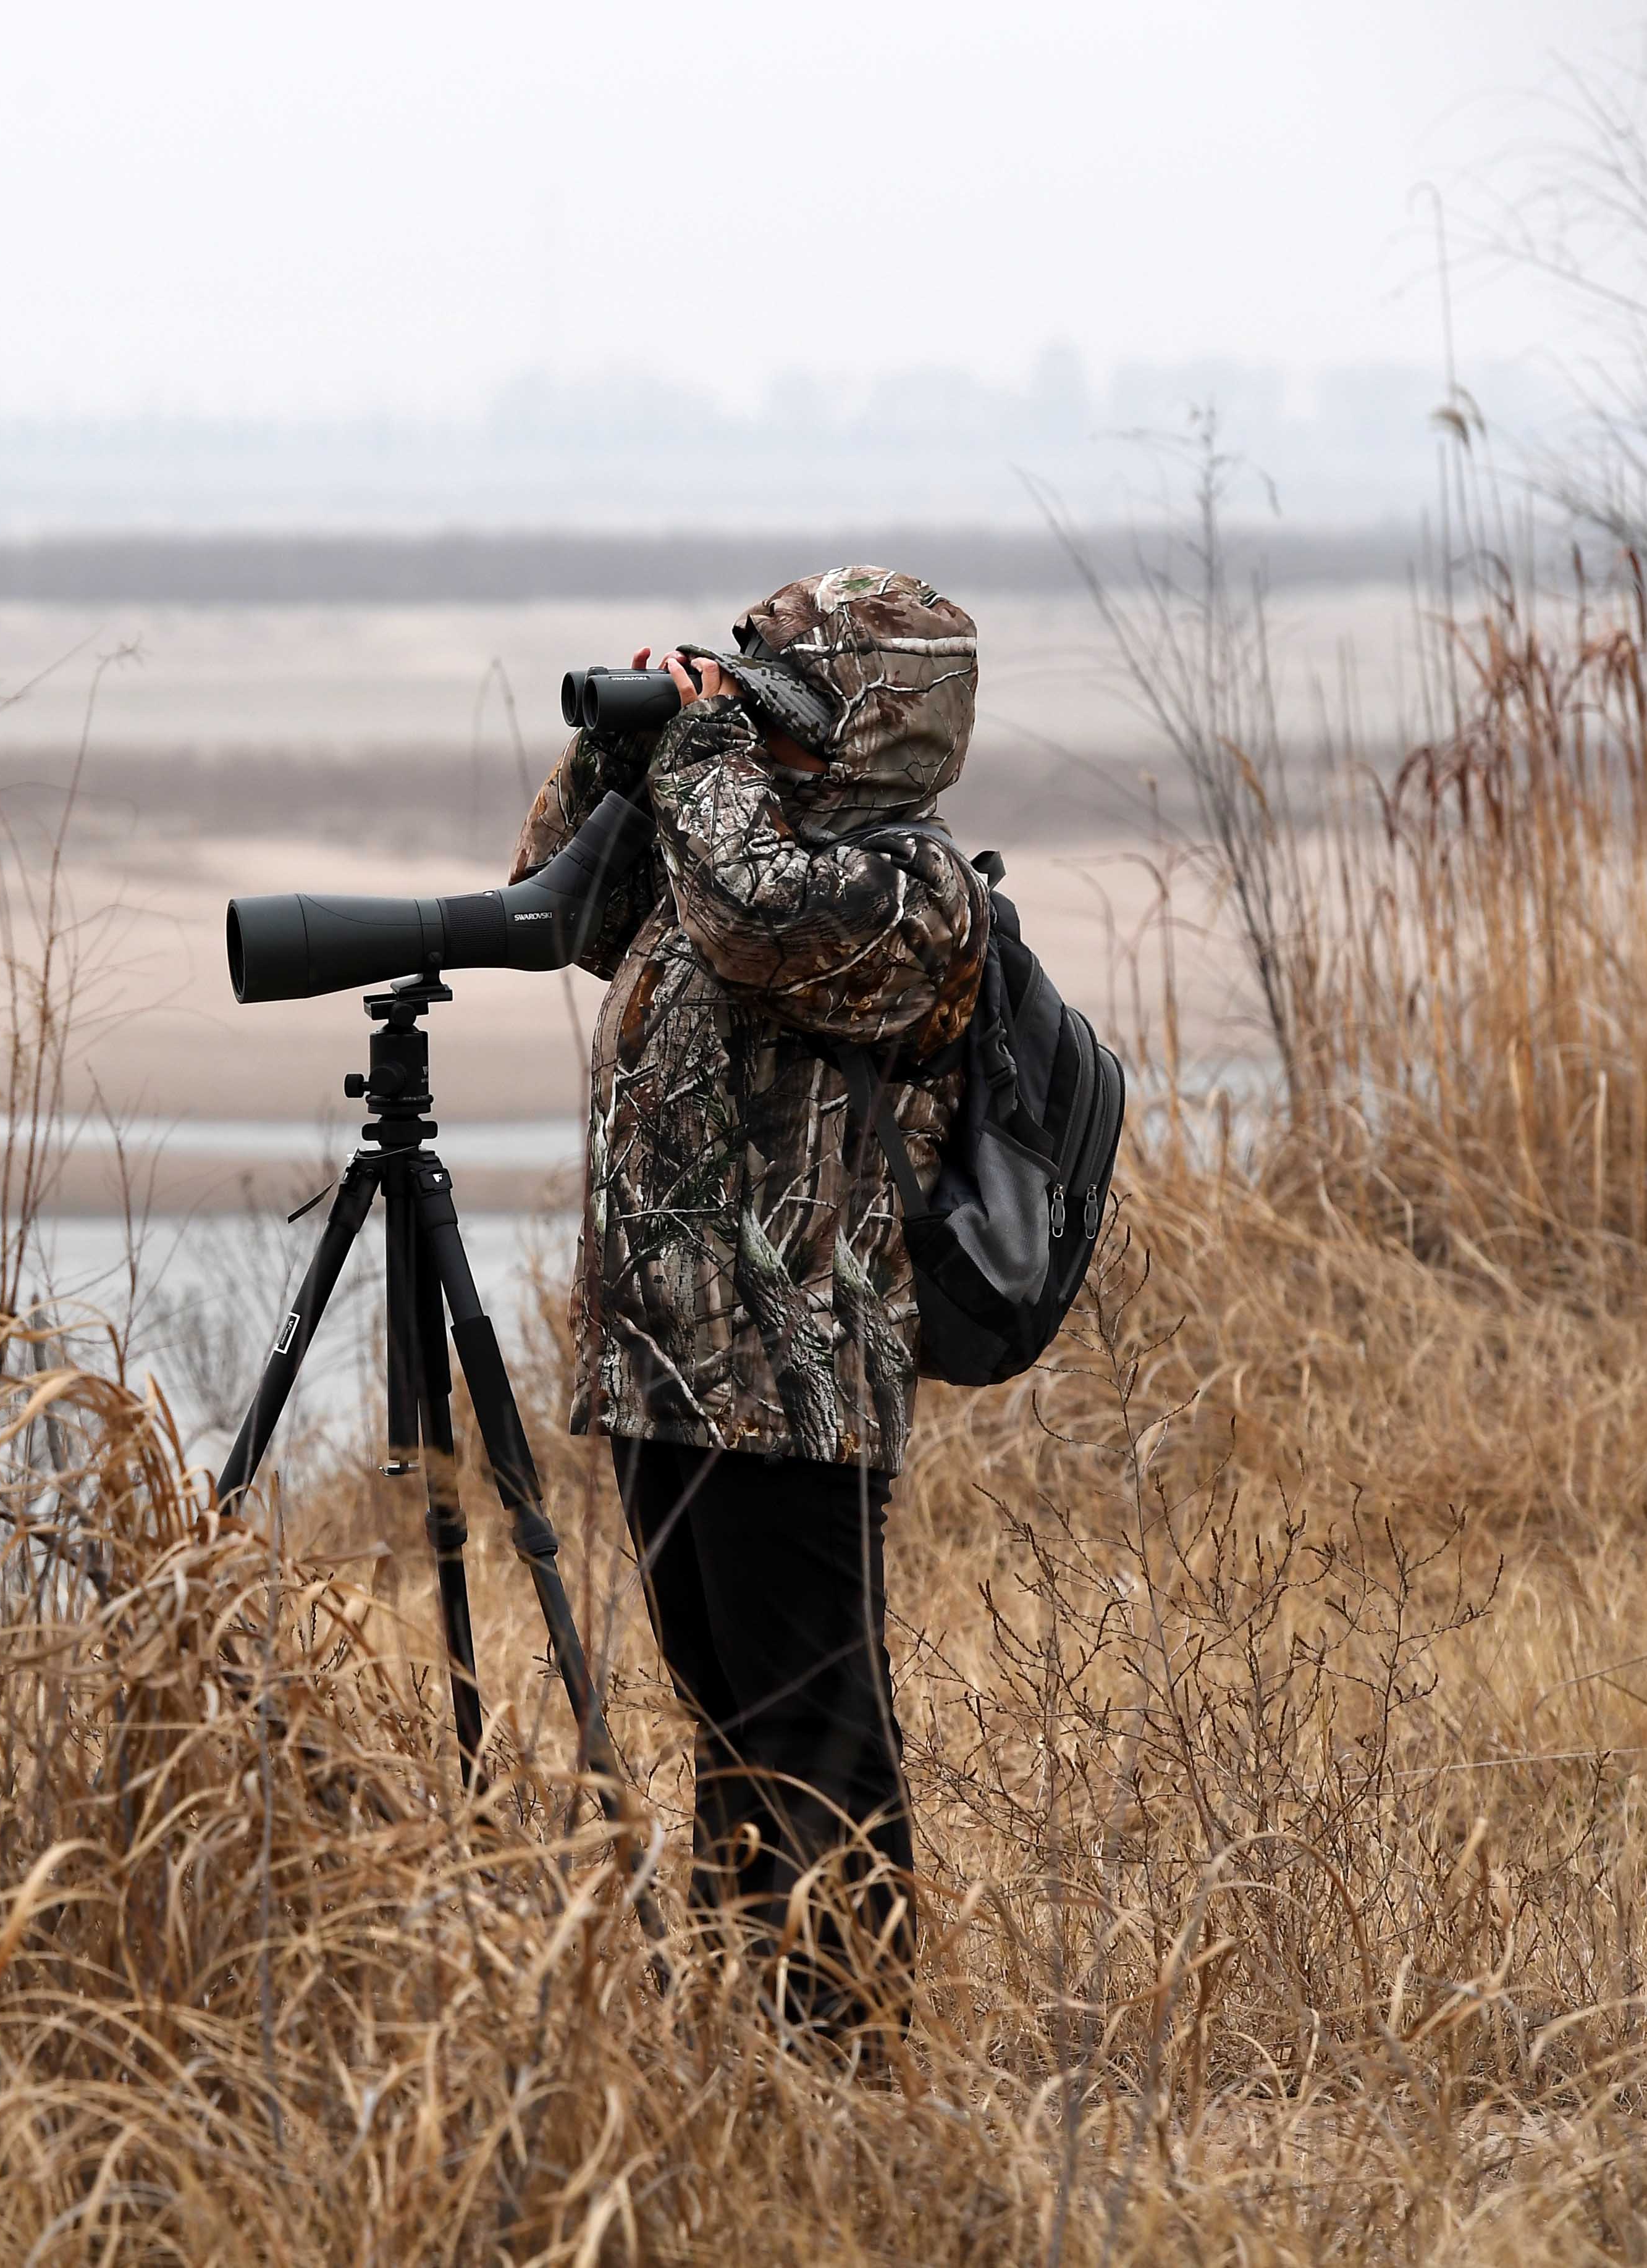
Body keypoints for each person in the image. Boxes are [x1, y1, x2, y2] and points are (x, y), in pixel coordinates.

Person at [508, 564, 988, 2039]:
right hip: (661, 1358)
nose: (750, 723)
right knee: (723, 1715)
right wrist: (612, 756)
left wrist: (706, 757)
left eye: (787, 702)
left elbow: (752, 918)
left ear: (877, 722)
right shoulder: (731, 833)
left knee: (813, 1730)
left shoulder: (906, 892)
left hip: (793, 1374)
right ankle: (763, 2039)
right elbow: (560, 912)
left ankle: (848, 2050)